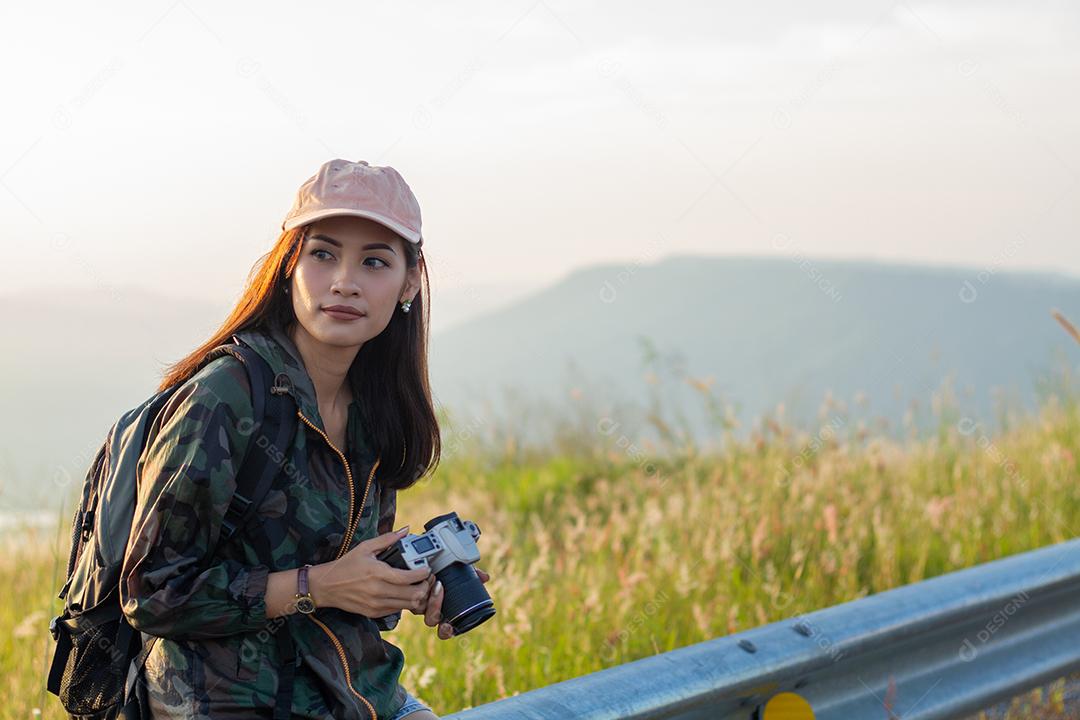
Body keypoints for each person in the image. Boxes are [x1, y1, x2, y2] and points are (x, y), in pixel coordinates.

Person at [120, 159, 489, 720]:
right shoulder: (225, 397)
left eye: (374, 261)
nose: (344, 280)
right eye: (322, 254)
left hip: (354, 692)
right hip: (226, 704)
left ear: (409, 281)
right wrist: (318, 586)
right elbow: (152, 594)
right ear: (290, 263)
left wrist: (408, 590)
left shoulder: (376, 404)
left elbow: (347, 590)